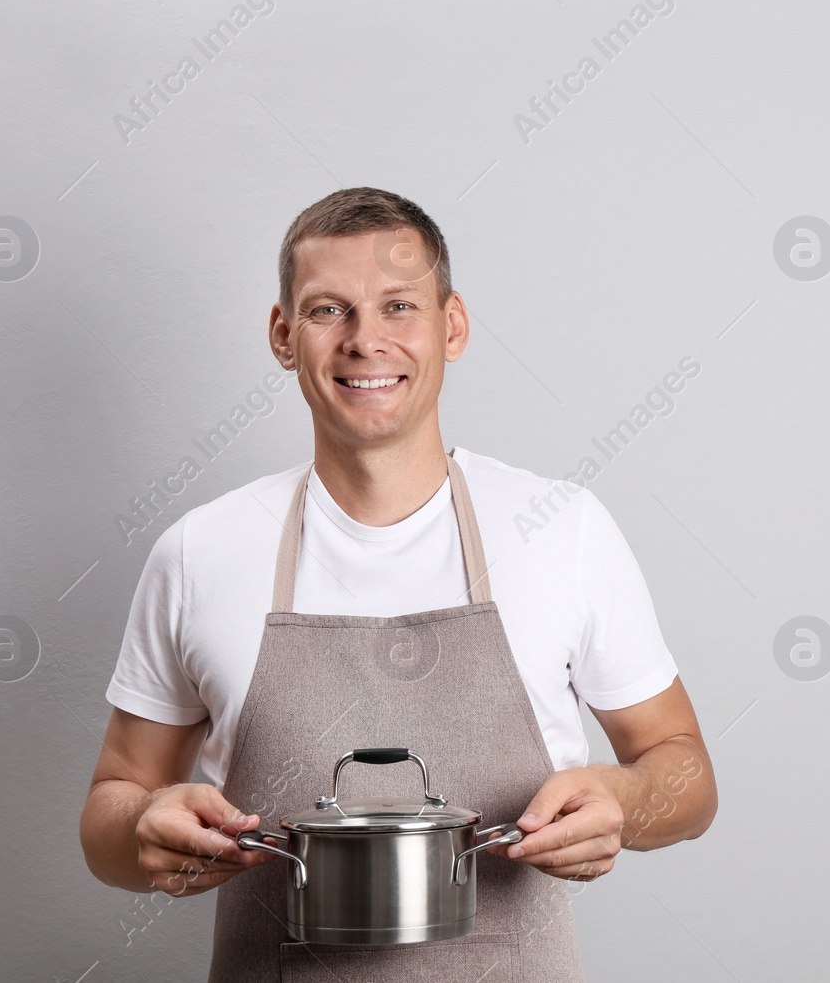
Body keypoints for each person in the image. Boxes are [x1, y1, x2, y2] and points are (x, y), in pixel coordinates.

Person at [78, 186, 717, 981]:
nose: (365, 341)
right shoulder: (200, 551)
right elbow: (111, 809)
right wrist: (143, 823)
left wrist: (626, 800)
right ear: (283, 335)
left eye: (399, 306)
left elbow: (687, 772)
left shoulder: (561, 527)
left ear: (452, 327)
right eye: (327, 311)